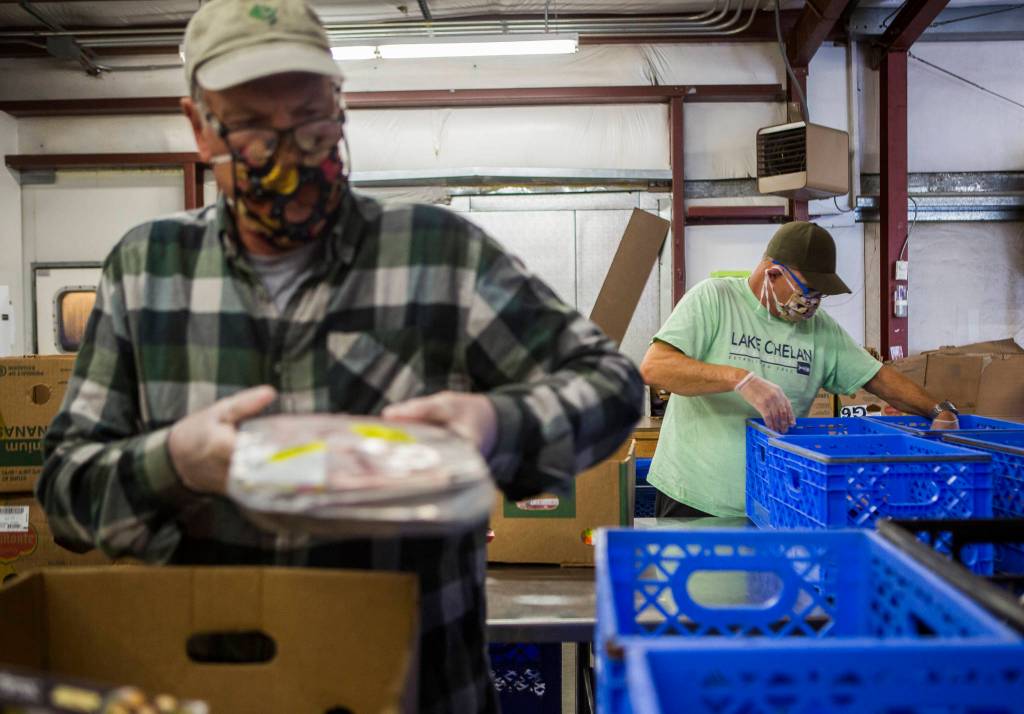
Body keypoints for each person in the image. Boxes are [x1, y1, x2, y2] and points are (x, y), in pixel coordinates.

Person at [34, 1, 644, 711]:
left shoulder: (437, 255)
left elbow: (611, 388)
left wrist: (492, 424)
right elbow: (66, 492)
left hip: (416, 685)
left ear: (341, 104)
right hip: (212, 689)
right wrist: (174, 462)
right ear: (200, 126)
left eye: (314, 120)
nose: (291, 153)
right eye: (256, 128)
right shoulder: (147, 270)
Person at [639, 221, 960, 518]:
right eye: (806, 291)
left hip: (773, 502)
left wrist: (938, 410)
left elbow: (878, 378)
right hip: (694, 499)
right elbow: (655, 367)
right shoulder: (713, 300)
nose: (812, 303)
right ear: (771, 272)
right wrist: (739, 378)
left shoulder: (820, 330)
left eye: (819, 295)